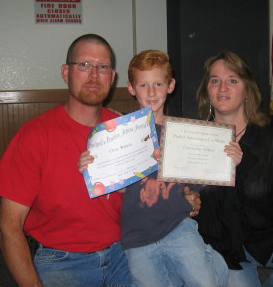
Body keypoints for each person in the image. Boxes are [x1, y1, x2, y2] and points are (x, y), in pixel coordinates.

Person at [0, 34, 199, 287]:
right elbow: (8, 228)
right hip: (62, 261)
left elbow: (151, 189)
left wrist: (184, 198)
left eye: (103, 67)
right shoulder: (35, 135)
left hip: (126, 252)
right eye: (84, 65)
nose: (94, 74)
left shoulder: (131, 129)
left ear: (113, 77)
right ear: (66, 72)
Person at [78, 50, 229, 287]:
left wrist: (226, 160)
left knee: (207, 283)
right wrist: (91, 168)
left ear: (170, 86)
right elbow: (116, 189)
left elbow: (198, 180)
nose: (151, 92)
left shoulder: (181, 133)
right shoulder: (121, 134)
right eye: (143, 85)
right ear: (131, 88)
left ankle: (213, 258)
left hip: (177, 224)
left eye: (158, 84)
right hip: (137, 234)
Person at [193, 50, 273, 287]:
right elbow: (185, 201)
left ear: (247, 91)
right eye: (215, 81)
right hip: (221, 246)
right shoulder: (193, 140)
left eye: (232, 80)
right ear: (206, 92)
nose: (222, 88)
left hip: (265, 236)